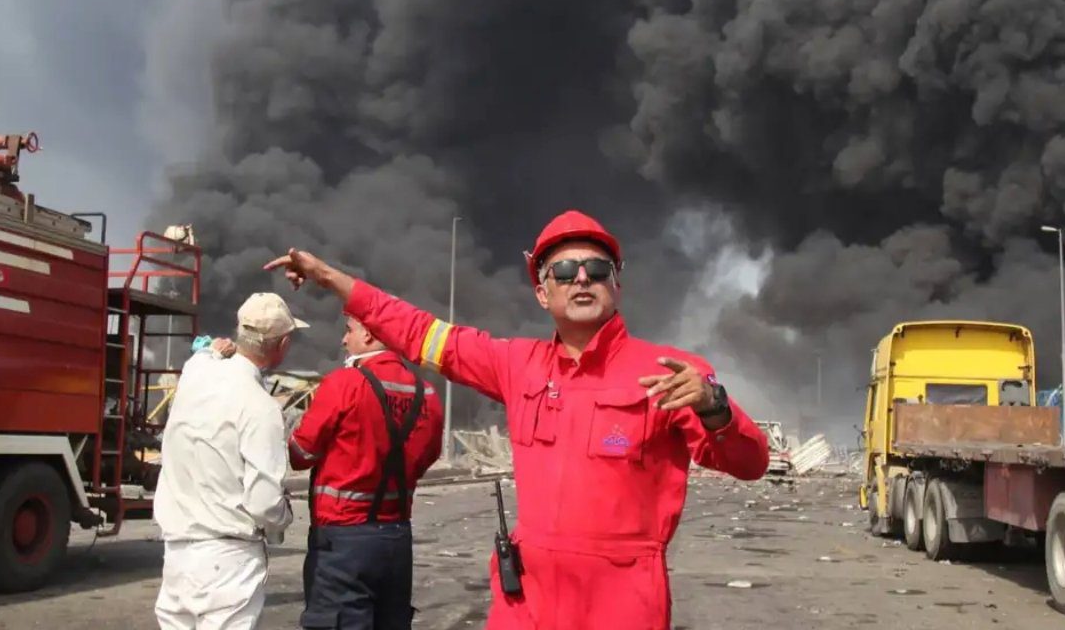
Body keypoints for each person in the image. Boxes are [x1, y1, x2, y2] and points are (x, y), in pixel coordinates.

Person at [261, 210, 771, 630]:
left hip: (621, 606)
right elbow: (420, 332)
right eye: (564, 271)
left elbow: (751, 463)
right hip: (527, 602)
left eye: (596, 269)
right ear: (542, 293)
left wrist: (714, 407)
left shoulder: (671, 373)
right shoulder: (516, 365)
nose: (582, 279)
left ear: (616, 284)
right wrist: (330, 279)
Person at [152, 292, 306, 630]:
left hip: (177, 554)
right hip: (229, 560)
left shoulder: (194, 373)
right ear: (282, 344)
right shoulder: (261, 407)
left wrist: (213, 350)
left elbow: (204, 353)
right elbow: (264, 504)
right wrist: (284, 514)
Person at [283, 311, 445, 629]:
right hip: (396, 538)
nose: (344, 340)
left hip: (342, 540)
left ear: (368, 334)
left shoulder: (344, 383)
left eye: (349, 330)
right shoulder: (426, 393)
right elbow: (429, 454)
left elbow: (301, 454)